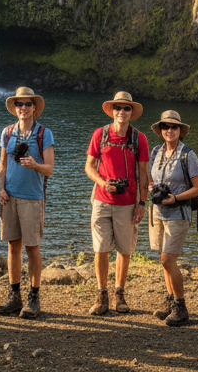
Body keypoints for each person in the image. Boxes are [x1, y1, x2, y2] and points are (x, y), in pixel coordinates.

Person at [85, 91, 150, 316]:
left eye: (126, 108)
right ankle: (102, 294)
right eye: (118, 108)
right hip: (102, 201)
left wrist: (142, 203)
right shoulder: (100, 134)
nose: (121, 112)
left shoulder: (139, 138)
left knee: (124, 249)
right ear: (112, 111)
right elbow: (89, 167)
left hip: (127, 202)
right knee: (100, 249)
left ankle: (119, 293)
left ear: (131, 112)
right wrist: (103, 183)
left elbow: (143, 173)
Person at [0, 86, 54, 320]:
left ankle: (34, 297)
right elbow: (2, 165)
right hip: (9, 197)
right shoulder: (8, 132)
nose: (23, 108)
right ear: (15, 108)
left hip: (32, 199)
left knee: (32, 248)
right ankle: (14, 296)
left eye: (27, 104)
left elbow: (49, 169)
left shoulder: (44, 134)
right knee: (12, 247)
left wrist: (35, 165)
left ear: (34, 108)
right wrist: (0, 189)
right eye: (19, 104)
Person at [146, 110, 198, 327]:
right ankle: (171, 301)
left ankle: (181, 306)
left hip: (179, 213)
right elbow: (151, 179)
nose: (169, 130)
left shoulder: (188, 154)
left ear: (181, 131)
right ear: (160, 131)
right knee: (164, 261)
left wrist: (175, 197)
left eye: (174, 127)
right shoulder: (156, 152)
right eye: (165, 127)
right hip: (158, 213)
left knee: (168, 260)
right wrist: (152, 188)